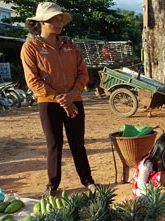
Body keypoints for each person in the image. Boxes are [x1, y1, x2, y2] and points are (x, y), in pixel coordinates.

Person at [21, 2, 96, 196]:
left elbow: (83, 73)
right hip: (48, 103)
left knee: (77, 143)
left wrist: (71, 95)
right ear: (41, 23)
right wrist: (60, 99)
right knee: (54, 143)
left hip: (75, 99)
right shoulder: (30, 48)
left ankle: (88, 181)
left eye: (60, 19)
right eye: (53, 19)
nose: (59, 22)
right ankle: (52, 185)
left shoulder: (70, 45)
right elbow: (32, 80)